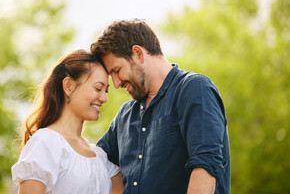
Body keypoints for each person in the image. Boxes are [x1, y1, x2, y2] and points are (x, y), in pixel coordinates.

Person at [90, 19, 230, 194]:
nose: (116, 84)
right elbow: (93, 165)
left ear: (138, 53)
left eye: (117, 70)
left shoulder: (193, 89)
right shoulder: (125, 115)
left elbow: (205, 168)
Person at [11, 49, 124, 194]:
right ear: (68, 86)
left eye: (106, 91)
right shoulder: (46, 143)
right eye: (98, 88)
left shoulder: (100, 156)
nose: (104, 98)